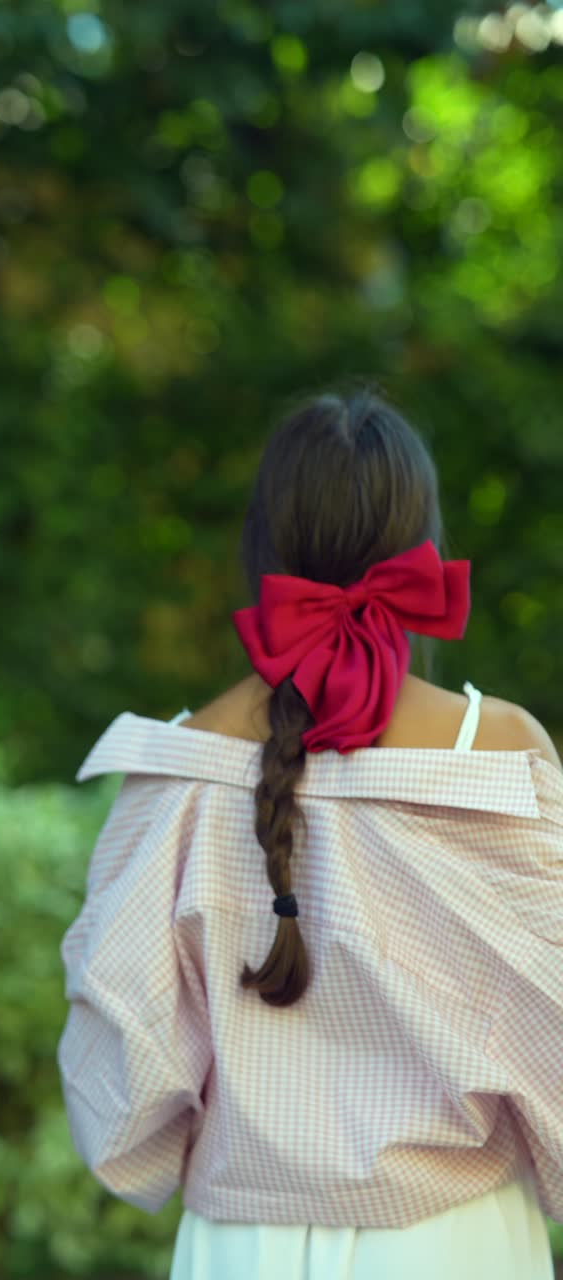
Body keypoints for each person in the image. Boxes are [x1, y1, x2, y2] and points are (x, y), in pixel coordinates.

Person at [56, 386, 563, 1279]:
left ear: (260, 551)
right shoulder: (500, 758)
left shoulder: (173, 771)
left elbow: (125, 1082)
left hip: (238, 1248)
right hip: (457, 1242)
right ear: (423, 545)